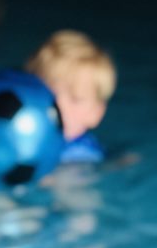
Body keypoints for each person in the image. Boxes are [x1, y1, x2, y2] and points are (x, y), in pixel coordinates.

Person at [25, 30, 116, 164]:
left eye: (75, 99)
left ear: (96, 113)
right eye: (51, 94)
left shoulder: (84, 155)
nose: (60, 106)